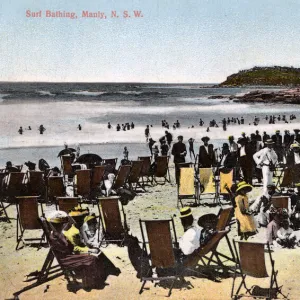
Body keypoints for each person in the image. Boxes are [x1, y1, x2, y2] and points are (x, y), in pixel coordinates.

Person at [46, 210, 117, 290]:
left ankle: (96, 280)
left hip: (70, 255)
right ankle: (89, 284)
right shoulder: (55, 237)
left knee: (93, 257)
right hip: (67, 259)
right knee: (91, 259)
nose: (63, 226)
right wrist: (86, 251)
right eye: (61, 224)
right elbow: (67, 250)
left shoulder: (59, 234)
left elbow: (72, 247)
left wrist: (87, 251)